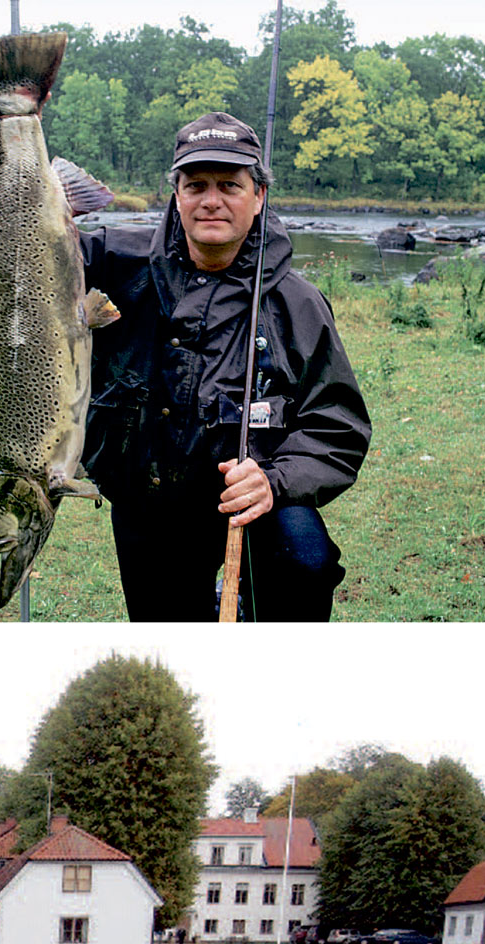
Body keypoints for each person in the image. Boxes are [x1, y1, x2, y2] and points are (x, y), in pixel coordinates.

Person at [78, 112, 371, 621]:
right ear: (176, 195)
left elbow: (338, 427)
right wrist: (9, 174)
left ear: (258, 197)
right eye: (196, 185)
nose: (211, 200)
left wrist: (274, 481)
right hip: (147, 500)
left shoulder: (297, 303)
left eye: (229, 185)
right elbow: (18, 271)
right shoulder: (109, 262)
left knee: (305, 564)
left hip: (259, 501)